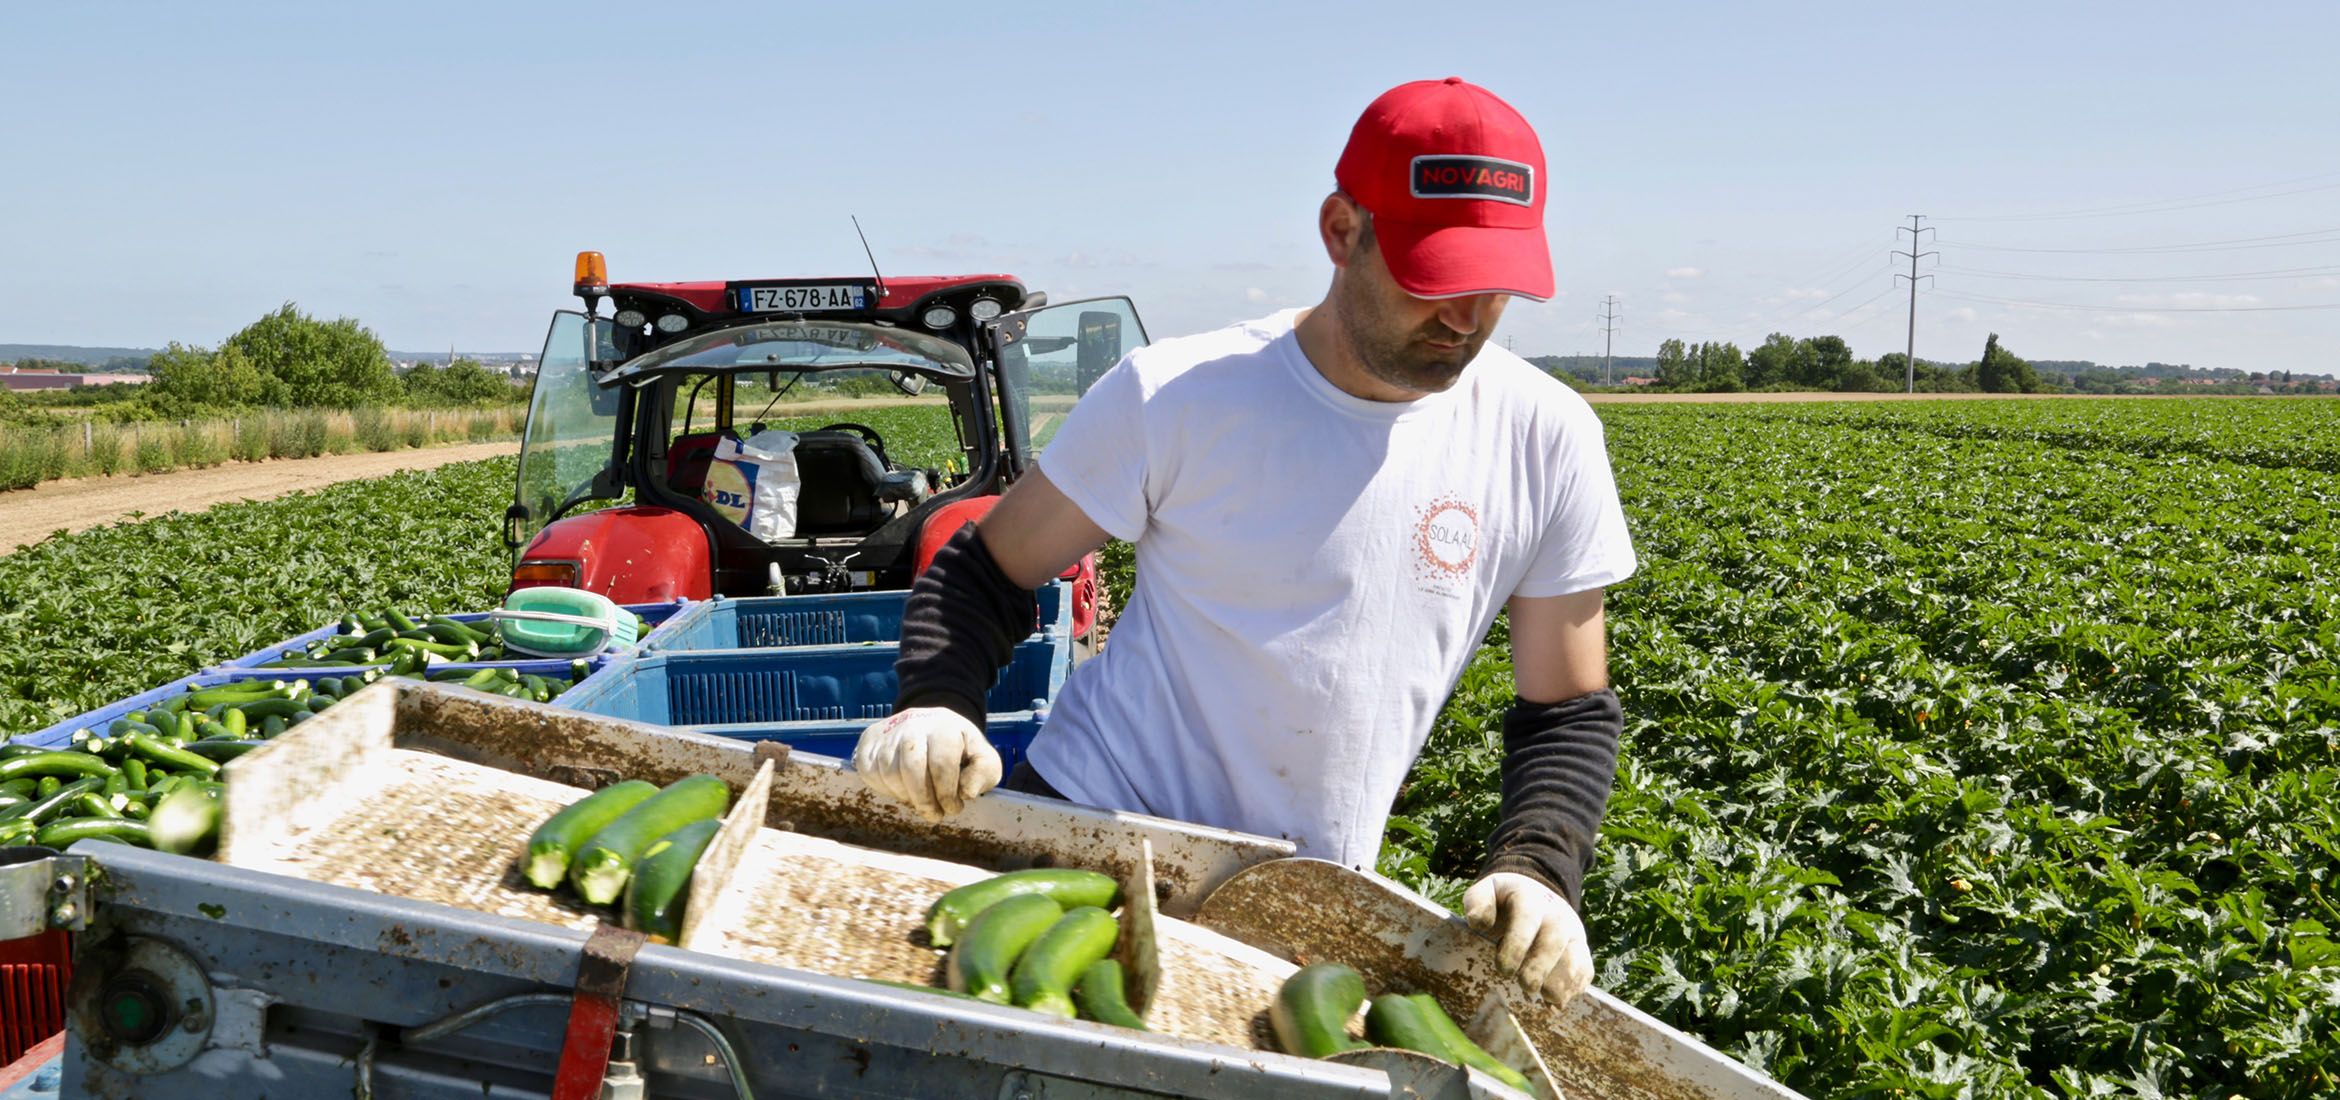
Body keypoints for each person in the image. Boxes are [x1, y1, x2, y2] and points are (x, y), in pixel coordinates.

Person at [853, 77, 1637, 1007]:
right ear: (1342, 230)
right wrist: (938, 705)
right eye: (1433, 278)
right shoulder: (1179, 395)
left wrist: (1543, 866)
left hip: (1300, 895)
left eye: (1494, 288)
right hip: (1090, 830)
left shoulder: (1546, 437)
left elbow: (1567, 707)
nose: (1465, 318)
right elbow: (985, 569)